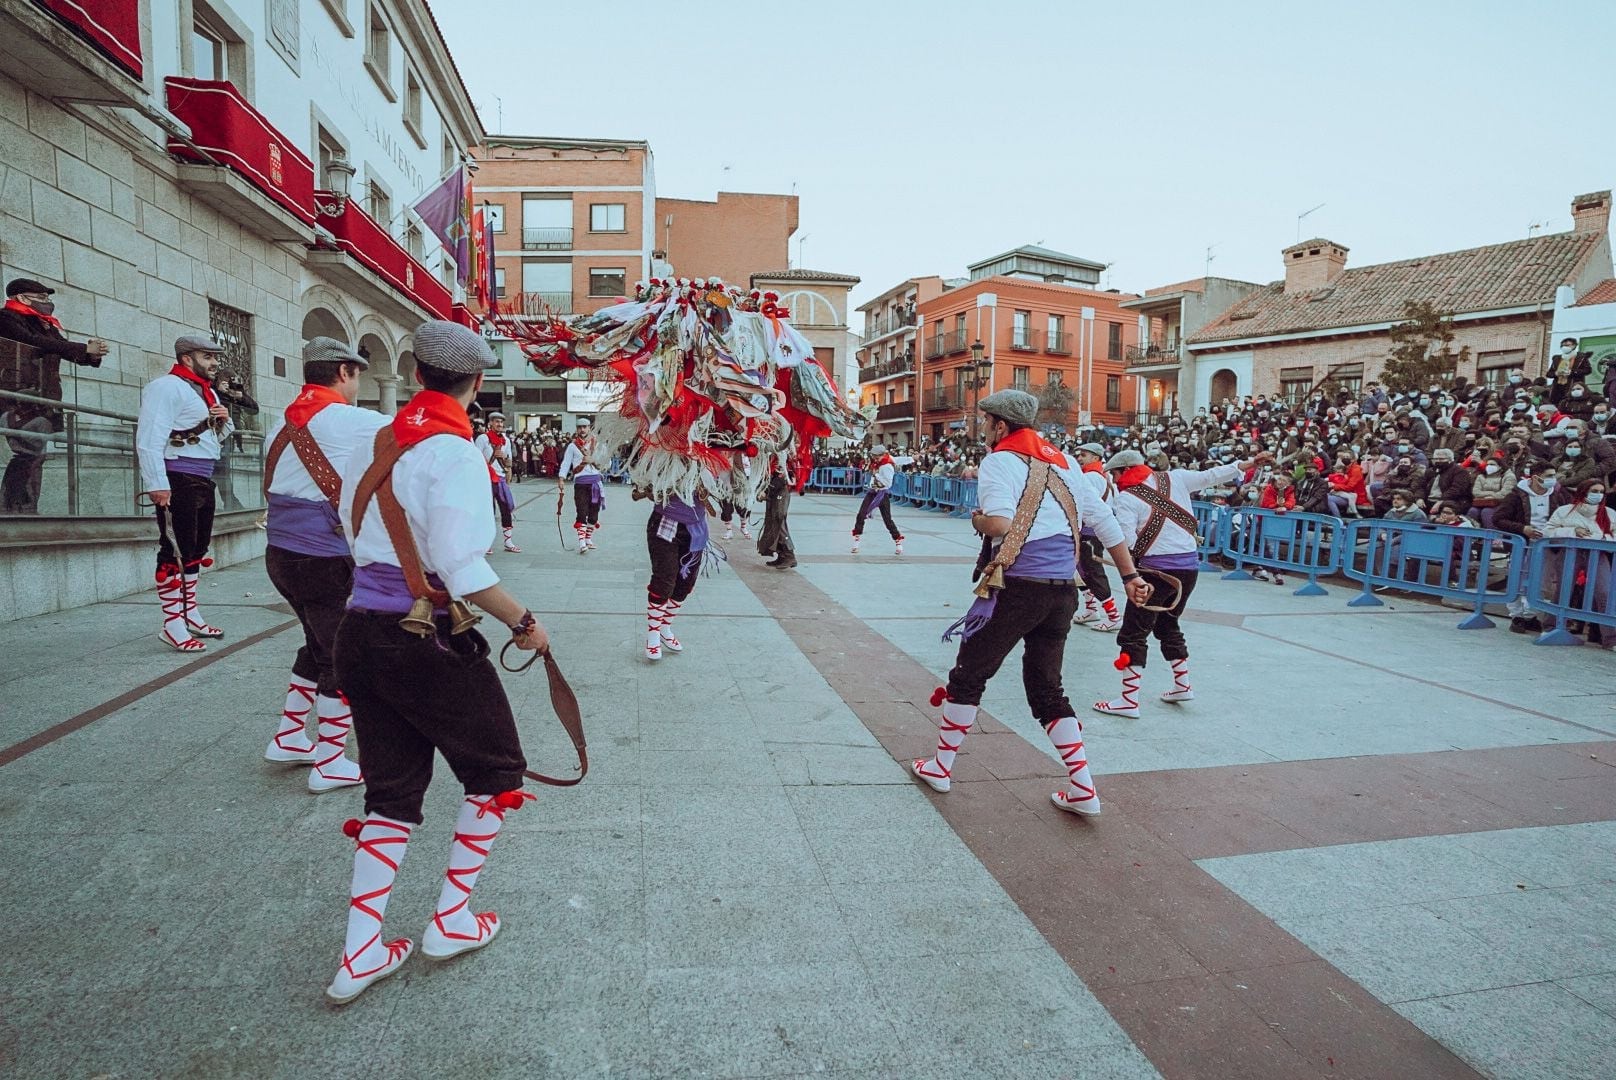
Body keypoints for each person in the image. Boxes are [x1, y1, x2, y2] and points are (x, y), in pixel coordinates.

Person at [328, 320, 550, 1005]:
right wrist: (525, 623)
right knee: (496, 771)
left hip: (360, 631)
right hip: (421, 638)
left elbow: (350, 526)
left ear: (419, 374)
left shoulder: (385, 442)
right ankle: (451, 919)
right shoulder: (453, 454)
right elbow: (460, 566)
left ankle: (360, 953)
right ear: (477, 382)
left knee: (391, 792)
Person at [916, 390, 1151, 816]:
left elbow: (1001, 523)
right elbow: (1103, 521)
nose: (985, 429)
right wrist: (1130, 575)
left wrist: (977, 519)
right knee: (1047, 688)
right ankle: (1083, 789)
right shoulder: (1066, 463)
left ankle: (940, 766)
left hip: (1017, 589)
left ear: (1001, 426)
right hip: (1062, 592)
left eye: (988, 422)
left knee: (970, 674)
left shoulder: (999, 461)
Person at [261, 337, 388, 792]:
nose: (359, 382)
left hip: (280, 555)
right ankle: (331, 761)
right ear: (343, 372)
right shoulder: (353, 420)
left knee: (317, 645)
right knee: (343, 656)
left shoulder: (281, 420)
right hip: (322, 558)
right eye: (357, 373)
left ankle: (291, 735)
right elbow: (420, 440)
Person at [1095, 446, 1272, 718]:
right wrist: (1247, 463)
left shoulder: (1126, 499)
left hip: (1155, 573)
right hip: (1189, 568)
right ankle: (1182, 684)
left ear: (1123, 471)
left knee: (1134, 631)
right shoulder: (1174, 478)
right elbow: (1211, 476)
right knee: (1168, 623)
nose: (1114, 481)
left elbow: (1128, 542)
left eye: (1115, 475)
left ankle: (1128, 701)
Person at [135, 334, 233, 652]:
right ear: (187, 358)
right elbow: (150, 437)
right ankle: (172, 623)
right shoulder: (165, 387)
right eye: (207, 356)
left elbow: (210, 441)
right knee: (174, 550)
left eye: (215, 356)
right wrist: (157, 482)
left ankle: (189, 613)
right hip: (177, 477)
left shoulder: (206, 393)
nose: (215, 362)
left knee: (195, 549)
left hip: (202, 477)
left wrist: (223, 421)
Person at [640, 475, 718, 662]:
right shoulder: (666, 454)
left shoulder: (709, 458)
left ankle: (665, 627)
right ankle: (653, 635)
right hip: (666, 523)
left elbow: (727, 485)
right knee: (664, 580)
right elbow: (649, 489)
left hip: (696, 528)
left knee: (685, 583)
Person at [0, 278, 108, 412]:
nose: (47, 303)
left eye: (47, 299)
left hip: (48, 393)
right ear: (22, 298)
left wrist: (91, 355)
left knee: (51, 430)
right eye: (41, 298)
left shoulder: (43, 323)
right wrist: (84, 348)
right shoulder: (6, 317)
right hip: (17, 393)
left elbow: (62, 346)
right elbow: (32, 341)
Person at [1070, 442, 1122, 631]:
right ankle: (1092, 608)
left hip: (1089, 533)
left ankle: (1113, 615)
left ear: (1096, 458)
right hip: (1093, 532)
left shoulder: (1091, 478)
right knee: (1080, 571)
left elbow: (1080, 505)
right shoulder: (1105, 478)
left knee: (1092, 572)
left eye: (1084, 455)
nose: (1079, 458)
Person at [476, 411, 521, 553]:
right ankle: (486, 543)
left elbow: (509, 461)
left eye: (501, 422)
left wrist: (506, 461)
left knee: (506, 509)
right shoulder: (483, 439)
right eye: (496, 422)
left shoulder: (506, 440)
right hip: (486, 478)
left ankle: (508, 542)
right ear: (490, 423)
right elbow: (475, 458)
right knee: (488, 511)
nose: (499, 424)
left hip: (500, 478)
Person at [851, 442, 903, 555]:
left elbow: (888, 484)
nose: (875, 458)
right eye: (874, 456)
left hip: (882, 494)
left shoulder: (887, 466)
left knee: (887, 519)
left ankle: (898, 541)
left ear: (882, 455)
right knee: (861, 514)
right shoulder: (876, 464)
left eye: (877, 456)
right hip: (872, 492)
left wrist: (877, 475)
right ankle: (856, 540)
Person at [559, 418, 603, 554]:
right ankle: (582, 542)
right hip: (580, 483)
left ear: (589, 428)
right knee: (582, 512)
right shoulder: (572, 446)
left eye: (585, 427)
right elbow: (566, 463)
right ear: (576, 429)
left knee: (594, 513)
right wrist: (561, 478)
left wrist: (594, 460)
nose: (582, 430)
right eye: (579, 427)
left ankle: (588, 539)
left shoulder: (598, 444)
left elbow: (606, 461)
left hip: (596, 482)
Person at [1, 401, 51, 513]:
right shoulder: (6, 417)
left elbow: (44, 449)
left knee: (28, 494)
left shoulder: (41, 421)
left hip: (31, 462)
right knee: (9, 494)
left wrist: (36, 464)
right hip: (18, 462)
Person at [757, 450, 798, 570]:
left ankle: (789, 555)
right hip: (775, 492)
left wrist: (766, 491)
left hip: (781, 491)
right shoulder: (774, 455)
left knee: (779, 522)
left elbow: (781, 477)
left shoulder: (783, 456)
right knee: (773, 523)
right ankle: (782, 555)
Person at [719, 450, 754, 541]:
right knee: (726, 510)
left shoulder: (742, 456)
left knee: (743, 509)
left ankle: (743, 528)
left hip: (739, 488)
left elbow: (748, 471)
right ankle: (729, 531)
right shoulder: (720, 455)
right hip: (725, 488)